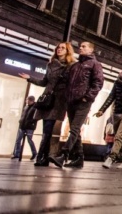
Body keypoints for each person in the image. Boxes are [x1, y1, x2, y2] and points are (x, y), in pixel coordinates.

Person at [50, 41, 104, 169]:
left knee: (74, 128)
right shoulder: (75, 66)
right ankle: (79, 158)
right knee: (75, 130)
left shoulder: (95, 64)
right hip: (71, 101)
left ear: (91, 50)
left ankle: (63, 155)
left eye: (84, 46)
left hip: (83, 102)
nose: (81, 48)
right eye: (80, 46)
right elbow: (65, 80)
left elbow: (98, 82)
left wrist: (87, 97)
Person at [20, 42, 74, 166]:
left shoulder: (70, 66)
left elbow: (71, 84)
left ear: (67, 51)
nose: (59, 49)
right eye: (58, 47)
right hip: (47, 99)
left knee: (48, 128)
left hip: (59, 101)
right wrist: (30, 78)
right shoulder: (50, 65)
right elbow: (44, 82)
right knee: (46, 129)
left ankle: (41, 157)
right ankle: (42, 157)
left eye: (62, 48)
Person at [11, 96, 37, 160]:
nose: (26, 101)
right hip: (22, 126)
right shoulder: (26, 107)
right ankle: (17, 154)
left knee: (29, 140)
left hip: (29, 127)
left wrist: (31, 122)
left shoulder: (35, 108)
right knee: (18, 140)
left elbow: (36, 118)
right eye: (26, 100)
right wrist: (21, 121)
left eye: (27, 100)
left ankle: (34, 153)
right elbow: (23, 115)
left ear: (31, 100)